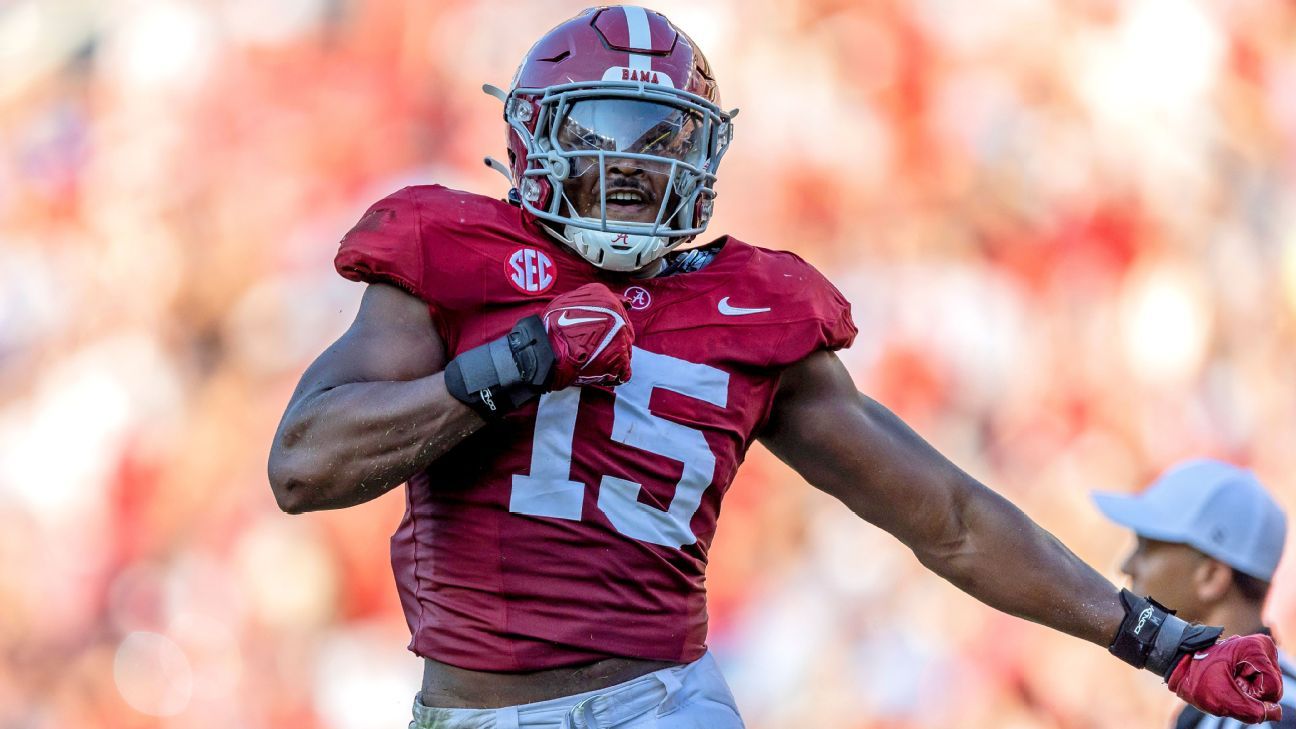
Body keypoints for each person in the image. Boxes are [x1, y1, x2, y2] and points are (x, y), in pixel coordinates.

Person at [267, 7, 1284, 728]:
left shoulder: (753, 305)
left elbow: (947, 515)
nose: (629, 167)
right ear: (535, 141)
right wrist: (510, 365)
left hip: (656, 706)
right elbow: (303, 466)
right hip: (468, 710)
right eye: (601, 136)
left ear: (703, 157)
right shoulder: (453, 255)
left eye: (658, 140)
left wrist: (1161, 640)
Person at [1094, 459, 1296, 728]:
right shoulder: (1245, 704)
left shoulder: (1268, 717)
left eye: (1146, 548)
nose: (1127, 565)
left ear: (1211, 576)